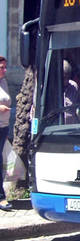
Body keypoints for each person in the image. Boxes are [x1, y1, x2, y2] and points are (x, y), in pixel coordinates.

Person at [0, 56, 13, 210]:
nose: (5, 70)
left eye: (5, 67)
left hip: (3, 127)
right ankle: (1, 197)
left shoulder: (3, 82)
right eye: (1, 68)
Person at [62, 60, 79, 124]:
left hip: (70, 128)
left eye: (68, 78)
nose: (66, 81)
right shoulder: (49, 89)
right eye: (63, 78)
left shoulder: (74, 87)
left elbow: (78, 109)